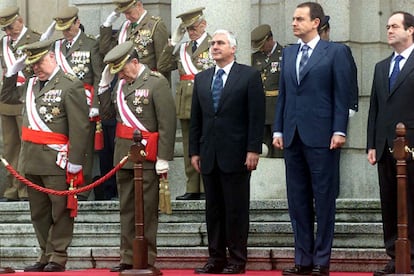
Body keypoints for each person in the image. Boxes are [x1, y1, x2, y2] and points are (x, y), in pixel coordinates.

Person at [272, 2, 355, 275]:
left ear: (315, 22)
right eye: (293, 19)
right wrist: (278, 130)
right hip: (293, 137)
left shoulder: (336, 52)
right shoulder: (289, 53)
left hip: (323, 137)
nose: (293, 23)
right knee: (297, 201)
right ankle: (303, 259)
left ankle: (321, 260)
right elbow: (284, 95)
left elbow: (342, 94)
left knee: (324, 199)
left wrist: (339, 130)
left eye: (299, 19)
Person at [2, 39, 90, 272]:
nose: (37, 68)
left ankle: (58, 256)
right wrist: (12, 72)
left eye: (40, 62)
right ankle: (45, 253)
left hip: (56, 159)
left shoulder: (70, 85)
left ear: (52, 57)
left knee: (60, 210)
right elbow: (6, 97)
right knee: (38, 212)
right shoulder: (31, 85)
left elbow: (80, 126)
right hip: (31, 159)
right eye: (33, 64)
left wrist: (75, 161)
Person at [190, 29, 265, 274]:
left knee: (236, 210)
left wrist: (253, 149)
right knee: (213, 210)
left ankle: (237, 259)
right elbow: (196, 119)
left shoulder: (249, 76)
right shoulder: (202, 78)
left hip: (237, 154)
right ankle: (215, 258)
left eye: (220, 43)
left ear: (233, 48)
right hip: (209, 154)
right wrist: (194, 151)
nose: (214, 47)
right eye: (212, 43)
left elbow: (256, 117)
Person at [98, 41, 176, 274]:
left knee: (147, 209)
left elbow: (167, 123)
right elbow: (107, 115)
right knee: (127, 208)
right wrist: (103, 86)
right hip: (124, 155)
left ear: (135, 62)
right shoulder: (120, 86)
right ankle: (128, 256)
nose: (120, 74)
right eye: (117, 71)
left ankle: (146, 257)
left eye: (122, 68)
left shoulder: (156, 82)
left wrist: (163, 157)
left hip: (148, 156)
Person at [367, 11, 414, 276]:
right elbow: (374, 107)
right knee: (389, 203)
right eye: (387, 26)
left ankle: (413, 257)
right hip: (385, 147)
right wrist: (371, 144)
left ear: (411, 30)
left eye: (395, 26)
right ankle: (395, 257)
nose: (389, 30)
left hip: (411, 146)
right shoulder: (381, 67)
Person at [158, 7, 214, 200]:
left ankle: (207, 186)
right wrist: (173, 41)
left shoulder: (214, 43)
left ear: (203, 24)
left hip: (207, 101)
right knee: (190, 144)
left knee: (207, 144)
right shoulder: (182, 48)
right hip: (186, 102)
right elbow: (163, 66)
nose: (191, 32)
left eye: (194, 27)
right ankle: (192, 187)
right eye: (188, 29)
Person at [49, 6, 104, 200]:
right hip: (61, 103)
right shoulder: (56, 46)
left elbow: (98, 76)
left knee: (83, 146)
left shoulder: (91, 44)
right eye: (62, 28)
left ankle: (83, 187)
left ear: (77, 22)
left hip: (84, 102)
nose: (65, 32)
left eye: (68, 27)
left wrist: (96, 103)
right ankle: (64, 183)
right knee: (63, 143)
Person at [0, 6, 40, 202]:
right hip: (8, 100)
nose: (8, 33)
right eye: (4, 29)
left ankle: (25, 188)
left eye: (10, 27)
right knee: (10, 147)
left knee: (26, 146)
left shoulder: (34, 39)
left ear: (20, 21)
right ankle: (12, 188)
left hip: (26, 98)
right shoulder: (4, 43)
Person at [99, 0, 168, 79]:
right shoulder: (125, 26)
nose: (127, 17)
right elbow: (106, 50)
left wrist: (161, 86)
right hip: (125, 80)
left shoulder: (156, 25)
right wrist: (108, 24)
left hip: (146, 81)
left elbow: (163, 62)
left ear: (138, 5)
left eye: (129, 12)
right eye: (124, 13)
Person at [251, 24, 283, 158]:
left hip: (277, 109)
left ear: (270, 39)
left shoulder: (285, 54)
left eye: (263, 45)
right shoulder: (255, 58)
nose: (262, 49)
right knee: (263, 149)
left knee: (279, 151)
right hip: (260, 110)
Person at [318, 15, 359, 115]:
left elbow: (351, 77)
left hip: (336, 107)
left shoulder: (339, 51)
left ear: (327, 31)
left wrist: (352, 104)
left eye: (320, 34)